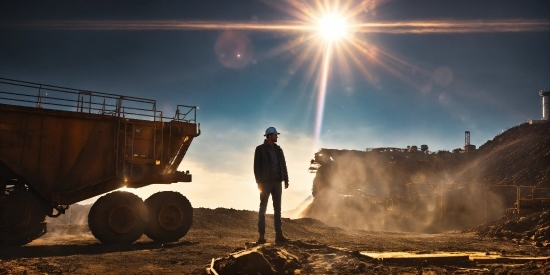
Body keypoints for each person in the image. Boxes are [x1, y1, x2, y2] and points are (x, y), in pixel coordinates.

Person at [253, 126, 289, 244]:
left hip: (277, 182)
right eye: (275, 135)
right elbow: (256, 167)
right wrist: (259, 182)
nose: (277, 136)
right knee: (262, 209)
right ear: (269, 136)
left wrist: (286, 180)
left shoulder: (279, 150)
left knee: (277, 210)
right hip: (265, 183)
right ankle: (261, 237)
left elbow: (283, 165)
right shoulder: (260, 149)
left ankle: (279, 235)